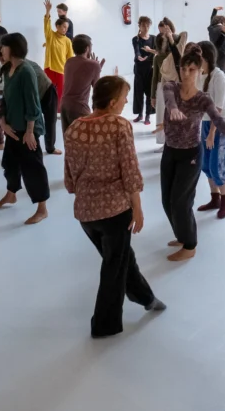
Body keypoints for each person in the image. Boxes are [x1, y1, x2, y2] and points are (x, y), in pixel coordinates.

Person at [63, 75, 166, 338]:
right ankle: (104, 325)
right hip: (114, 212)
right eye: (123, 98)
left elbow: (70, 173)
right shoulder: (119, 126)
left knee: (120, 259)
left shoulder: (75, 127)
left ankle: (147, 298)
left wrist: (81, 190)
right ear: (111, 102)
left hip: (86, 214)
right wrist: (138, 208)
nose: (125, 102)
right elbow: (130, 170)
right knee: (114, 266)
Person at [162, 49, 225, 261]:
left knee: (180, 202)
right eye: (183, 69)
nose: (186, 73)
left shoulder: (203, 99)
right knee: (167, 200)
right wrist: (172, 109)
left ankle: (190, 245)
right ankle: (182, 236)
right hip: (170, 150)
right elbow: (169, 99)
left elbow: (218, 119)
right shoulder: (171, 87)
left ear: (200, 72)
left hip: (191, 154)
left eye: (191, 69)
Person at [0, 33, 51, 225]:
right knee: (10, 164)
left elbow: (33, 104)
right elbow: (6, 99)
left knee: (33, 168)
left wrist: (30, 131)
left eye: (4, 47)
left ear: (14, 49)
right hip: (12, 127)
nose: (1, 50)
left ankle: (42, 208)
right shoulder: (8, 68)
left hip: (26, 129)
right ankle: (11, 194)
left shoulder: (26, 71)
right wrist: (3, 122)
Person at [195, 41, 225, 219]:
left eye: (198, 53)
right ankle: (215, 198)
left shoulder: (218, 76)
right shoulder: (200, 75)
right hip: (205, 123)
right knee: (205, 165)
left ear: (205, 56)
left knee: (217, 166)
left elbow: (217, 110)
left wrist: (211, 134)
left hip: (219, 124)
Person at [151, 19, 187, 146]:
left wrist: (170, 37)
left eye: (165, 30)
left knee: (173, 114)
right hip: (162, 85)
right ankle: (165, 142)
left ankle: (173, 141)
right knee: (162, 114)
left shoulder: (176, 50)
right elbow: (155, 76)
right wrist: (153, 96)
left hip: (175, 84)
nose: (163, 34)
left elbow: (183, 39)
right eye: (161, 31)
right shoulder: (159, 57)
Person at [61, 34, 104, 133]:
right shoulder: (93, 65)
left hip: (64, 105)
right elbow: (97, 88)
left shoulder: (69, 62)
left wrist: (95, 68)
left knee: (69, 139)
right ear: (87, 48)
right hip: (79, 107)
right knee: (85, 139)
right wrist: (97, 69)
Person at [43, 0, 74, 110]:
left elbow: (70, 58)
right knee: (48, 90)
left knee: (60, 92)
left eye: (66, 27)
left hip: (61, 70)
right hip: (49, 68)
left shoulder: (67, 41)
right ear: (57, 26)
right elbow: (47, 25)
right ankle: (48, 109)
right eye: (63, 27)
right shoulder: (50, 36)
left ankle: (59, 110)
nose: (65, 29)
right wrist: (47, 11)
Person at [131, 16, 156, 124]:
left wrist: (149, 56)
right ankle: (140, 114)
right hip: (139, 69)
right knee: (138, 92)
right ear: (139, 26)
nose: (145, 27)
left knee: (149, 93)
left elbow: (156, 51)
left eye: (147, 25)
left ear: (150, 26)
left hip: (149, 69)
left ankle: (147, 116)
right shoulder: (135, 39)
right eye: (143, 25)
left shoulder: (154, 38)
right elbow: (137, 50)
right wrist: (139, 57)